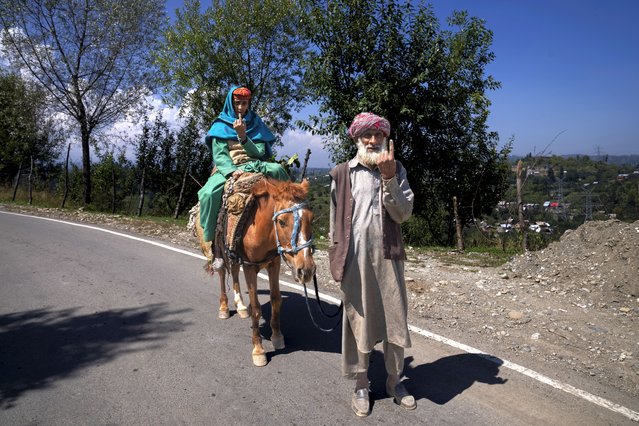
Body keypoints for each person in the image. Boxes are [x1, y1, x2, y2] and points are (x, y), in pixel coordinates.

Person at [328, 112, 415, 417]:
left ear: (385, 138)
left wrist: (390, 177)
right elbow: (334, 223)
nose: (374, 140)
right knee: (357, 322)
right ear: (356, 138)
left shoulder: (395, 169)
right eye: (367, 135)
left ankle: (394, 381)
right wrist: (335, 258)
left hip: (389, 259)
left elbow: (403, 214)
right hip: (355, 261)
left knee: (394, 319)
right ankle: (361, 384)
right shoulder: (342, 173)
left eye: (379, 135)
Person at [198, 86, 290, 268]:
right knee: (208, 194)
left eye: (244, 103)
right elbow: (220, 154)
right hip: (229, 167)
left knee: (279, 170)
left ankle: (294, 220)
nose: (241, 107)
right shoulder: (220, 125)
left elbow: (261, 152)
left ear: (249, 103)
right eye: (238, 103)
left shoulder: (256, 122)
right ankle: (213, 245)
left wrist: (243, 137)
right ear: (231, 103)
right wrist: (231, 170)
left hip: (254, 163)